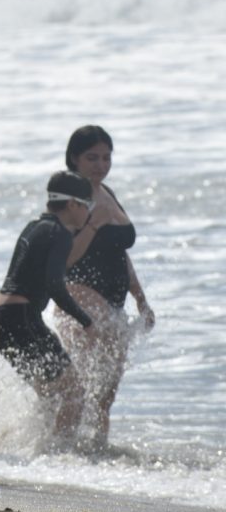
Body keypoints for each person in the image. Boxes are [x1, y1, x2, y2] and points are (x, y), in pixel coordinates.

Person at [56, 125, 155, 449]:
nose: (101, 164)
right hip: (78, 293)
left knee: (107, 391)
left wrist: (140, 299)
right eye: (92, 157)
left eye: (106, 157)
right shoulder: (69, 197)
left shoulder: (107, 192)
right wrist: (94, 223)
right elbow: (65, 258)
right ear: (74, 158)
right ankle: (60, 448)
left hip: (115, 301)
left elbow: (120, 252)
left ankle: (96, 453)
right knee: (82, 383)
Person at [0, 171, 94, 443]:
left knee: (49, 394)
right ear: (72, 204)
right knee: (74, 394)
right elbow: (55, 286)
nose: (88, 214)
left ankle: (33, 448)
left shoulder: (33, 226)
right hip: (22, 319)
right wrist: (86, 321)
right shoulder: (60, 233)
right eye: (88, 206)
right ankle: (57, 456)